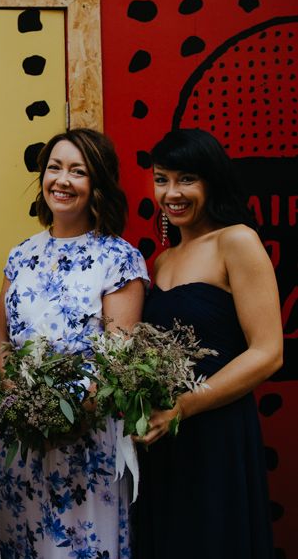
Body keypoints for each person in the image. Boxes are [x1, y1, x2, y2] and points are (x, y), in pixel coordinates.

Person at [0, 128, 149, 558]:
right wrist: (17, 399)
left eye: (78, 171)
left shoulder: (119, 258)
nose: (62, 180)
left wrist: (64, 418)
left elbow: (118, 359)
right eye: (54, 168)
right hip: (19, 440)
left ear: (97, 184)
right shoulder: (21, 254)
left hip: (84, 443)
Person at [133, 128, 282, 559]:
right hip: (164, 438)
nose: (171, 193)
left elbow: (268, 352)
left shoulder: (236, 240)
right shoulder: (160, 259)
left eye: (186, 179)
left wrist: (186, 405)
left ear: (211, 180)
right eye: (162, 179)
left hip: (216, 431)